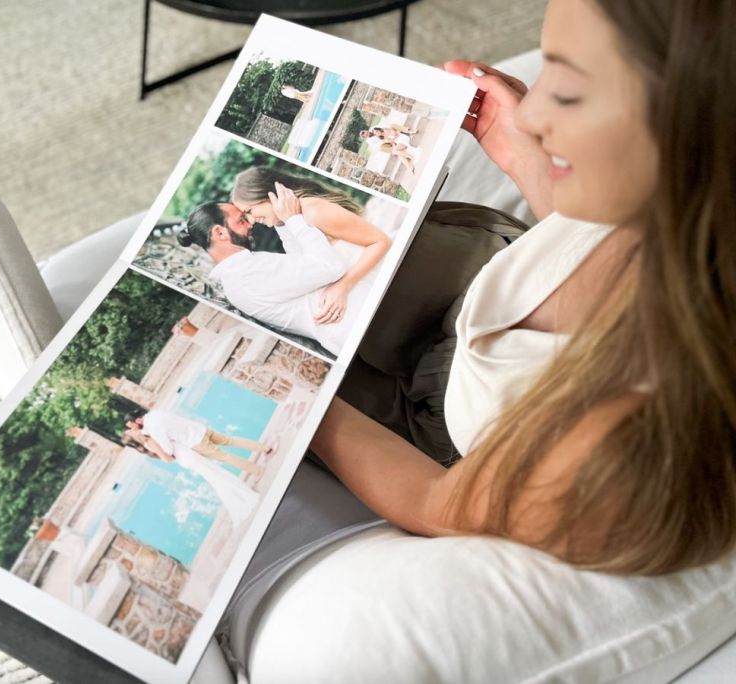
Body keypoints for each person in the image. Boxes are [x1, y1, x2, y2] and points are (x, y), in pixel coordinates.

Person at [310, 0, 736, 575]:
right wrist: (529, 159)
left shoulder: (613, 454)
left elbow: (434, 502)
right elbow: (578, 240)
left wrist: (299, 399)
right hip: (491, 288)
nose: (533, 111)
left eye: (567, 91)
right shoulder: (678, 216)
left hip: (446, 431)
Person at [178, 185, 369, 357]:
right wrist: (294, 219)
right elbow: (329, 267)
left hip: (353, 323)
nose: (250, 223)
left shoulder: (241, 271)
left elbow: (304, 264)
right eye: (241, 220)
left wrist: (281, 222)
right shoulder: (247, 274)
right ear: (220, 233)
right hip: (357, 326)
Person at [230, 167, 392, 325]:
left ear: (268, 194)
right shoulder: (292, 223)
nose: (251, 221)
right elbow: (304, 265)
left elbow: (380, 241)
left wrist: (343, 286)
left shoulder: (313, 212)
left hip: (385, 281)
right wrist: (282, 222)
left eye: (249, 211)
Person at [122, 431, 258, 527]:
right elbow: (167, 458)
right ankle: (241, 498)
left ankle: (240, 495)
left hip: (187, 457)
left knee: (217, 476)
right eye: (130, 432)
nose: (132, 430)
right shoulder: (150, 441)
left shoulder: (148, 441)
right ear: (133, 437)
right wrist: (172, 452)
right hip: (187, 456)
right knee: (218, 477)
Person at [124, 408, 269, 478]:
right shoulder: (156, 413)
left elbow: (166, 447)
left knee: (225, 457)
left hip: (195, 441)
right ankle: (264, 448)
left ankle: (258, 471)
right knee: (229, 440)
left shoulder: (153, 428)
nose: (132, 429)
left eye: (131, 425)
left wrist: (168, 454)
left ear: (138, 420)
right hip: (199, 429)